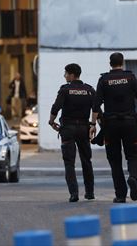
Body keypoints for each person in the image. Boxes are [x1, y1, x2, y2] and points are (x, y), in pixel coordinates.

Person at [91, 52, 137, 203]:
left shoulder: (104, 79)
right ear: (122, 62)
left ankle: (120, 194)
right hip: (129, 124)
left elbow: (96, 105)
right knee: (133, 156)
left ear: (110, 63)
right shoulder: (130, 77)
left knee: (115, 160)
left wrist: (92, 125)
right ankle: (133, 177)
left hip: (110, 125)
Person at [48, 64, 97, 202]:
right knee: (86, 161)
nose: (64, 76)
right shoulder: (89, 90)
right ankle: (90, 192)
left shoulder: (65, 90)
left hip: (68, 129)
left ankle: (74, 194)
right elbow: (96, 108)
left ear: (71, 75)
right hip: (83, 128)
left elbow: (55, 107)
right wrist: (94, 124)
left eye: (66, 73)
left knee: (69, 163)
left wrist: (51, 122)